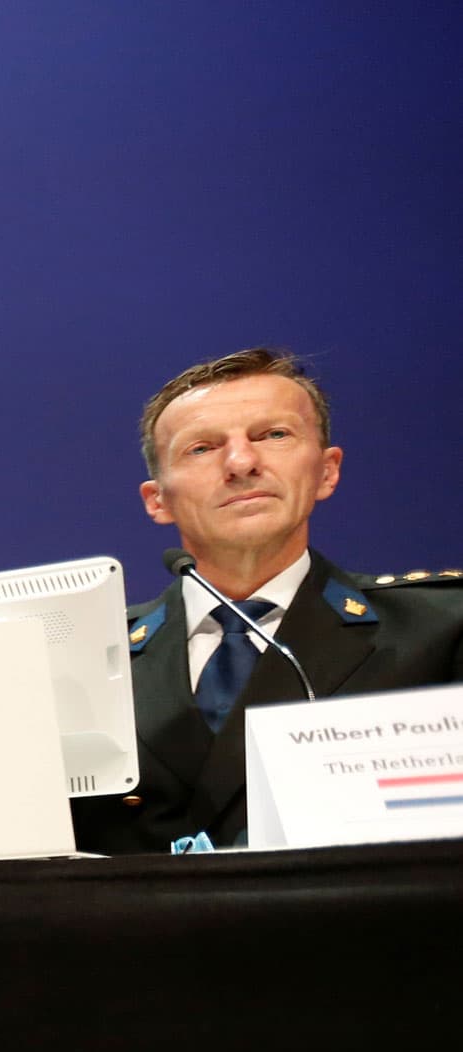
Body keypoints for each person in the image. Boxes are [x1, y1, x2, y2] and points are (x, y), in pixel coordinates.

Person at [72, 347, 463, 854]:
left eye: (273, 435)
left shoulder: (439, 629)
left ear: (327, 471)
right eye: (202, 448)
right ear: (157, 500)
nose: (241, 463)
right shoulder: (83, 658)